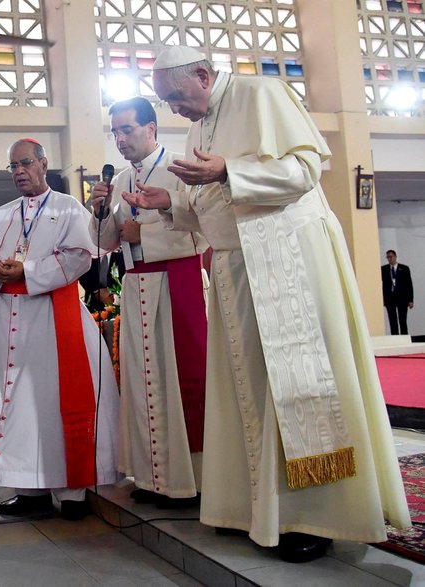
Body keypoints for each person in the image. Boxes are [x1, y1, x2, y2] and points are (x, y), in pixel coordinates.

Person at [121, 45, 410, 562]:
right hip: (235, 266)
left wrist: (229, 169)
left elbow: (303, 170)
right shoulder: (199, 123)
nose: (174, 111)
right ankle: (254, 507)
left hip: (287, 258)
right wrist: (170, 204)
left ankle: (315, 515)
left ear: (205, 76)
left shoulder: (264, 94)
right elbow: (209, 202)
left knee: (295, 387)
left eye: (176, 98)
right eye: (166, 102)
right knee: (243, 386)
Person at [0, 138, 121, 521]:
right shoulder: (4, 213)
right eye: (13, 166)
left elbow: (79, 259)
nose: (19, 172)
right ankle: (29, 490)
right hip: (6, 317)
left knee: (54, 402)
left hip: (54, 317)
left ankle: (73, 492)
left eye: (25, 163)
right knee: (17, 406)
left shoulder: (68, 208)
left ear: (43, 164)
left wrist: (29, 271)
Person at [91, 96, 208, 508]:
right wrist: (100, 211)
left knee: (183, 379)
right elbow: (106, 244)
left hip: (179, 282)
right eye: (115, 131)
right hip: (136, 286)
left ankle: (192, 480)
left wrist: (149, 236)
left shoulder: (180, 169)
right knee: (142, 383)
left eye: (127, 129)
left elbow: (203, 227)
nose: (120, 139)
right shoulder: (120, 180)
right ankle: (153, 475)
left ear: (151, 128)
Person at [382, 249, 414, 335]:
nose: (389, 259)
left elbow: (409, 285)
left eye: (391, 257)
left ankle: (404, 338)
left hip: (402, 298)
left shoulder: (404, 268)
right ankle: (395, 339)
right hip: (390, 298)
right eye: (387, 257)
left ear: (395, 257)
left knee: (402, 320)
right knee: (392, 321)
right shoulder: (383, 269)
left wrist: (410, 300)